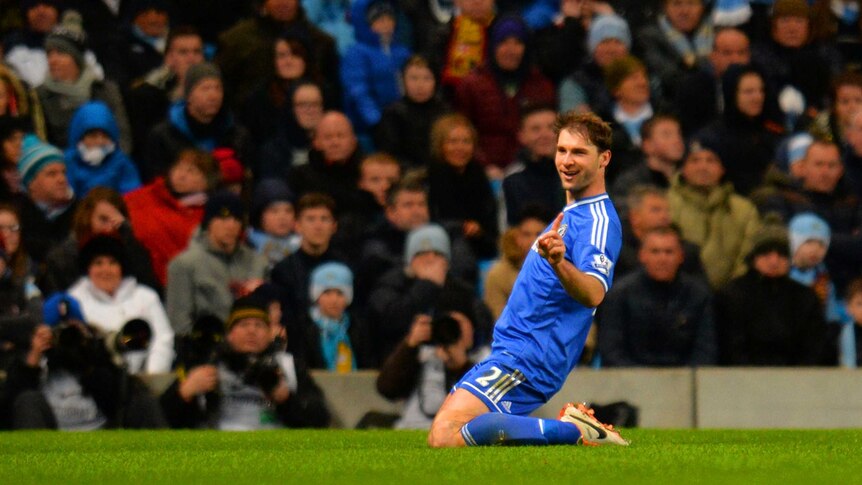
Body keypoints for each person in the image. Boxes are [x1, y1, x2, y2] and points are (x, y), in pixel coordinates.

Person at [427, 111, 627, 448]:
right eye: (562, 150)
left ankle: (576, 431)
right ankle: (571, 430)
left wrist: (560, 263)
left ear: (604, 158)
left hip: (530, 355)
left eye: (579, 152)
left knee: (446, 437)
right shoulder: (572, 212)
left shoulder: (598, 221)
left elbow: (593, 293)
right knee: (450, 432)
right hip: (515, 349)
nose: (567, 160)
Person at [159, 296, 330, 430]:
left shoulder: (288, 365)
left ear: (270, 333)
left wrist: (286, 399)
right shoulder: (207, 364)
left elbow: (320, 418)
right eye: (243, 324)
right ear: (229, 334)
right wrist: (184, 392)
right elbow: (161, 418)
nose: (251, 331)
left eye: (259, 325)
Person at [2, 294, 166, 430]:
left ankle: (163, 462)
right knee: (28, 400)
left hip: (100, 433)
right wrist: (34, 357)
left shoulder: (96, 351)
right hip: (50, 437)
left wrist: (88, 361)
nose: (67, 337)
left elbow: (117, 399)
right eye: (58, 330)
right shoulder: (30, 355)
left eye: (73, 329)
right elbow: (11, 406)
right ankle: (34, 466)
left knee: (144, 400)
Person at [367, 223, 494, 368]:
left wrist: (469, 334)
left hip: (453, 365)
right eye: (422, 254)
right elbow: (389, 321)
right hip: (403, 366)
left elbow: (484, 326)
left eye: (438, 253)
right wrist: (427, 285)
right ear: (410, 260)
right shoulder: (390, 284)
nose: (430, 259)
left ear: (447, 262)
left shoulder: (461, 291)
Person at [714, 215, 827, 366]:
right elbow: (731, 347)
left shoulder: (805, 297)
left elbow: (813, 348)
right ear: (753, 257)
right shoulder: (732, 294)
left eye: (781, 254)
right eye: (766, 253)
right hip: (743, 380)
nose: (774, 261)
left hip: (796, 382)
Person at [598, 226, 716, 367]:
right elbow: (612, 350)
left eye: (669, 252)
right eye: (655, 252)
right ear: (642, 255)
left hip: (684, 382)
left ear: (681, 256)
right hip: (630, 382)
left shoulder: (699, 295)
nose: (662, 259)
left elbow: (706, 350)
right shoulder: (619, 295)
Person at [67, 235, 175, 374]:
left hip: (142, 382)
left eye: (112, 263)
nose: (106, 270)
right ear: (88, 268)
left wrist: (151, 376)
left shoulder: (145, 297)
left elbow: (162, 339)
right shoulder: (73, 300)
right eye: (98, 263)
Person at [166, 191, 268, 336]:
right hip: (206, 349)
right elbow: (179, 324)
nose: (231, 225)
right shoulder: (184, 264)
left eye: (236, 219)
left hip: (253, 347)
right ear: (208, 223)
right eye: (223, 218)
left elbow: (270, 313)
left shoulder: (258, 262)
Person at [668, 139, 761, 289]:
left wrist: (731, 290)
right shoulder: (665, 204)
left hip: (729, 296)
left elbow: (748, 255)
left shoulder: (744, 210)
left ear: (722, 168)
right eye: (695, 160)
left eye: (711, 161)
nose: (703, 167)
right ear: (683, 168)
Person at [377, 311, 490, 429]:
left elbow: (487, 402)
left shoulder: (484, 359)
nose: (451, 331)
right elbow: (387, 389)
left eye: (457, 326)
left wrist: (462, 366)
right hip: (413, 426)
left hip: (456, 429)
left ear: (472, 331)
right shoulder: (422, 356)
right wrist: (409, 345)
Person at [143, 62, 254, 183]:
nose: (213, 96)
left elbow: (246, 177)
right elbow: (157, 180)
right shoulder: (163, 136)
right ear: (189, 95)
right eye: (205, 88)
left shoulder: (237, 135)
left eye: (218, 88)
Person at [41, 187, 159, 295]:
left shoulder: (131, 251)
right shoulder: (62, 258)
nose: (109, 227)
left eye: (116, 222)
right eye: (103, 219)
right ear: (87, 219)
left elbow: (148, 287)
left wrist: (127, 234)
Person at [124, 148, 216, 287]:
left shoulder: (209, 217)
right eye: (179, 168)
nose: (181, 175)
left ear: (207, 181)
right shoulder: (142, 197)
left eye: (192, 171)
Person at [126, 26, 205, 164]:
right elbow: (144, 145)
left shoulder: (217, 90)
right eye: (183, 52)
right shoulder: (145, 95)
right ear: (169, 58)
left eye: (197, 52)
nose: (191, 59)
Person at [374, 55, 451, 170]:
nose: (420, 85)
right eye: (414, 78)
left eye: (427, 78)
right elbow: (390, 154)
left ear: (436, 81)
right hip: (407, 175)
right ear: (403, 81)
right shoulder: (392, 113)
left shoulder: (446, 112)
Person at [301, 262, 372, 371]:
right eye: (327, 292)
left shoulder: (358, 327)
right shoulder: (303, 329)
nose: (334, 300)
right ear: (316, 296)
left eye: (340, 293)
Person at [503, 103, 566, 226]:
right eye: (535, 129)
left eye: (551, 127)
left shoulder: (580, 173)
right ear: (521, 136)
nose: (545, 135)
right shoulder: (512, 180)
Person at [482, 208, 551, 320]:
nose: (534, 241)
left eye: (539, 234)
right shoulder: (498, 275)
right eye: (526, 234)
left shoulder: (565, 270)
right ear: (515, 236)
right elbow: (498, 320)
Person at [63, 101, 142, 197]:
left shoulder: (122, 162)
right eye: (93, 136)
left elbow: (133, 195)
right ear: (80, 138)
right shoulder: (68, 162)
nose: (100, 142)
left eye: (105, 136)